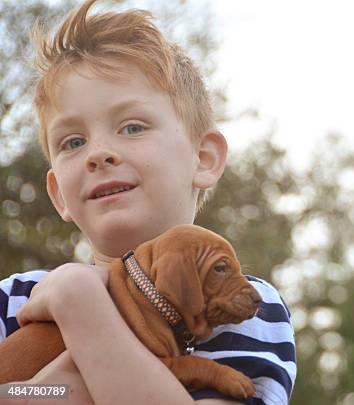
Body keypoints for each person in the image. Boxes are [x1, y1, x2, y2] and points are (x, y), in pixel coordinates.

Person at [0, 0, 296, 403]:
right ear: (58, 195)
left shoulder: (238, 306)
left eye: (132, 126)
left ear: (203, 159)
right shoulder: (15, 299)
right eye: (73, 142)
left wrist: (79, 304)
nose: (98, 153)